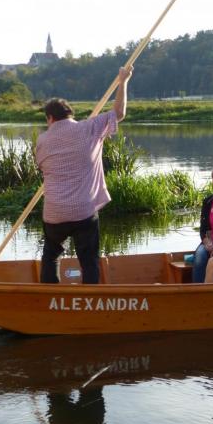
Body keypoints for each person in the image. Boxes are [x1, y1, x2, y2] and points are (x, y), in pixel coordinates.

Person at [35, 67, 132, 284]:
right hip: (83, 210)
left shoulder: (42, 140)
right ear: (70, 114)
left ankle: (49, 297)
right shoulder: (89, 128)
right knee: (88, 259)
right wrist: (123, 81)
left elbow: (41, 166)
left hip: (55, 211)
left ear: (50, 118)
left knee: (51, 254)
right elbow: (119, 113)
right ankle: (92, 298)